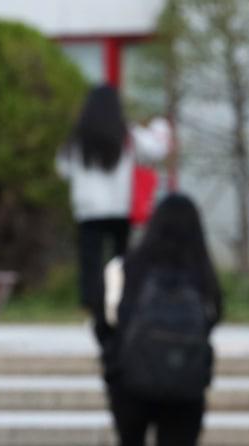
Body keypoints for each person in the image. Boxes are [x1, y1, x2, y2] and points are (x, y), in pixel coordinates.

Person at [97, 193, 222, 446]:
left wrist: (115, 373)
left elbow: (106, 323)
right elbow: (212, 320)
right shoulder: (202, 273)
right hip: (185, 390)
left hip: (133, 384)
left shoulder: (128, 267)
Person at [56, 83, 171, 319]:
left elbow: (62, 169)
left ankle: (91, 304)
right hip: (120, 207)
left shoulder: (78, 137)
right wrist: (160, 126)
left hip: (88, 209)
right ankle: (121, 298)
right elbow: (155, 151)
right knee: (121, 258)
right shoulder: (126, 133)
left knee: (91, 261)